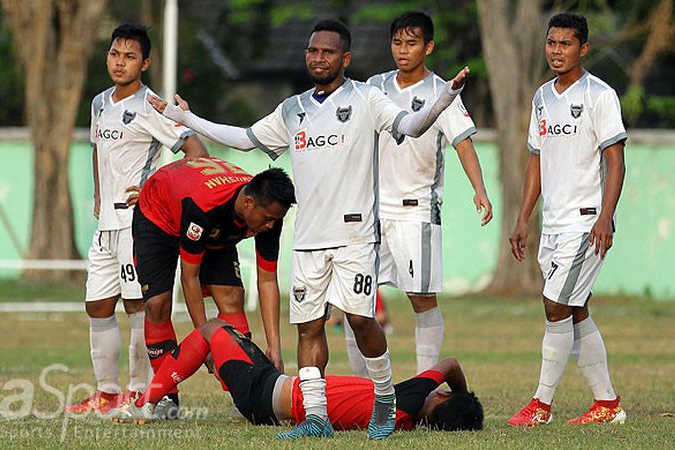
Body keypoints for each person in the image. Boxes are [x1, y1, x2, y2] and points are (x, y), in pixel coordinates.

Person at [148, 19, 470, 440]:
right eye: (313, 51)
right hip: (308, 241)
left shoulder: (367, 98)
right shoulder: (293, 108)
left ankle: (386, 398)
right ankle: (316, 417)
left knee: (359, 319)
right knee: (309, 327)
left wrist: (445, 97)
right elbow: (243, 138)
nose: (318, 58)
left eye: (328, 52)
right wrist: (184, 118)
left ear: (345, 58)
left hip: (355, 235)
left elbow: (409, 127)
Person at [67, 22, 207, 414]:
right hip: (106, 226)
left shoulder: (151, 106)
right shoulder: (99, 103)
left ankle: (137, 390)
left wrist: (156, 191)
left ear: (144, 63)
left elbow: (196, 150)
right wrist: (99, 194)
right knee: (96, 305)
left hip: (137, 225)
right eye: (114, 54)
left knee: (137, 308)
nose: (119, 62)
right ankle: (106, 393)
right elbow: (97, 148)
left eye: (129, 57)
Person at [345, 11, 493, 378]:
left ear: (428, 47)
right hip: (371, 211)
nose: (403, 50)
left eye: (411, 43)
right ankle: (361, 387)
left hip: (417, 212)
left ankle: (424, 384)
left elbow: (463, 144)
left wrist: (480, 190)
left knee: (422, 299)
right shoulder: (374, 87)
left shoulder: (441, 92)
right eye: (397, 42)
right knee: (355, 299)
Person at [507, 13, 627, 426]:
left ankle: (541, 404)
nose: (556, 51)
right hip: (553, 224)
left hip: (586, 222)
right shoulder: (542, 97)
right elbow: (535, 161)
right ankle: (607, 404)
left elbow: (616, 160)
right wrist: (523, 217)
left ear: (583, 48)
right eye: (551, 43)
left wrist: (606, 217)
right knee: (575, 311)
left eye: (565, 44)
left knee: (554, 305)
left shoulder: (600, 95)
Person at [110, 318, 483, 434]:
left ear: (443, 397)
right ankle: (209, 373)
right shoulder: (402, 421)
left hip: (266, 391)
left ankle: (147, 401)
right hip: (268, 399)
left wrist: (462, 393)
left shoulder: (410, 398)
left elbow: (449, 363)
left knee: (212, 330)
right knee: (226, 342)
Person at [134, 157, 295, 418]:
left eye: (276, 221)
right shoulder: (204, 207)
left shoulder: (267, 214)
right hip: (159, 215)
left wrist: (274, 346)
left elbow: (267, 280)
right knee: (157, 304)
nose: (270, 226)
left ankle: (245, 395)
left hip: (213, 224)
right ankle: (165, 397)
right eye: (267, 219)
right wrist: (204, 341)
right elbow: (190, 278)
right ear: (248, 203)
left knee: (232, 297)